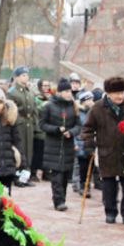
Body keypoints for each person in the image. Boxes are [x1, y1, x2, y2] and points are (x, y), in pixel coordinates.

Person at [81, 77, 124, 225]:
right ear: (108, 93)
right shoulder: (98, 108)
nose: (120, 96)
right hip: (107, 152)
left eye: (122, 92)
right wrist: (89, 143)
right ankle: (110, 212)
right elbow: (87, 128)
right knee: (109, 185)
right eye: (116, 93)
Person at [39, 78, 81, 211]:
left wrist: (72, 132)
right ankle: (58, 201)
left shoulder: (74, 106)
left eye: (70, 90)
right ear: (60, 92)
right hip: (53, 145)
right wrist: (56, 129)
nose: (69, 93)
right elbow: (42, 125)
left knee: (64, 176)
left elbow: (78, 125)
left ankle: (62, 198)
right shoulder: (49, 106)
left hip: (68, 145)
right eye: (66, 91)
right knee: (56, 175)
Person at [8, 66, 38, 186]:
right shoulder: (12, 92)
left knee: (28, 151)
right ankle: (18, 177)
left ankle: (26, 176)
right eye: (23, 75)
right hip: (19, 124)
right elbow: (10, 109)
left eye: (27, 75)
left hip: (29, 125)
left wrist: (35, 124)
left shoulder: (29, 91)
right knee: (20, 151)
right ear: (16, 77)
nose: (26, 77)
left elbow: (34, 108)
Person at [72, 91, 96, 196]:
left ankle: (87, 186)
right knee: (81, 165)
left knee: (90, 166)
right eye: (88, 100)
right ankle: (80, 185)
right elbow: (74, 128)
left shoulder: (94, 112)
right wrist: (74, 143)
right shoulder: (77, 113)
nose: (91, 102)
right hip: (80, 142)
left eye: (92, 99)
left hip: (91, 143)